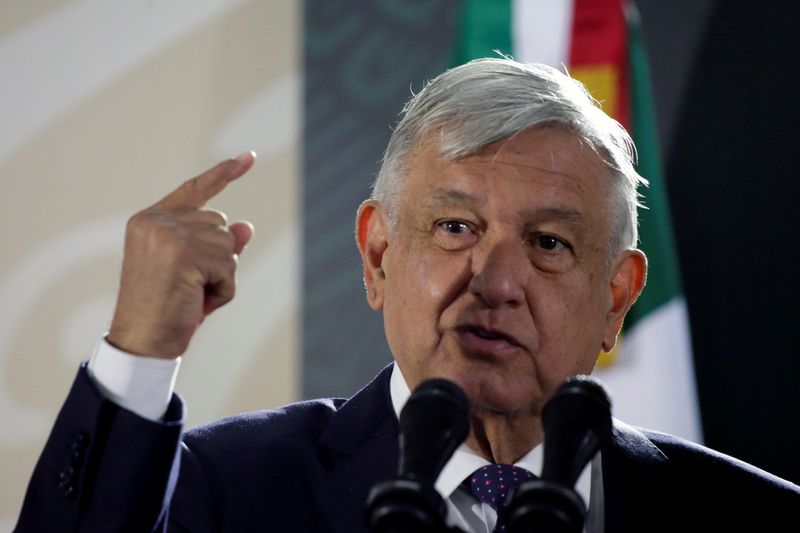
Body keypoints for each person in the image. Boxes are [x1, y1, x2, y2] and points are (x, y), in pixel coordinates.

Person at [15, 58, 799, 532]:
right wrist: (141, 352)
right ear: (379, 254)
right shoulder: (225, 490)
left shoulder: (747, 517)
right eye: (455, 227)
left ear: (615, 299)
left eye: (549, 244)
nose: (494, 282)